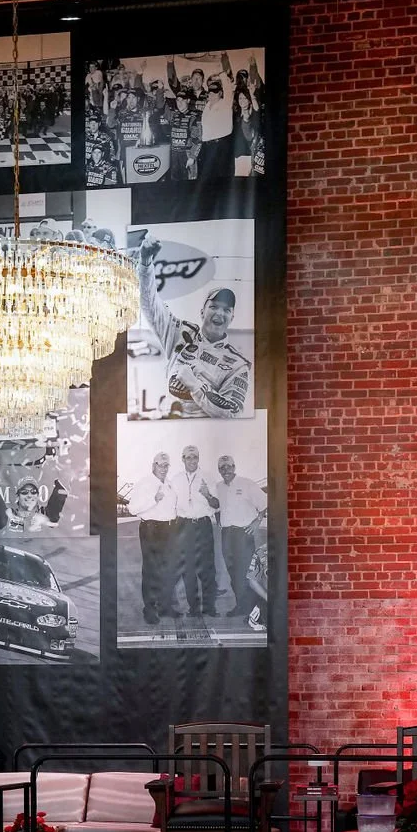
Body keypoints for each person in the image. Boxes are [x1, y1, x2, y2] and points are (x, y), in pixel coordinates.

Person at [137, 234, 251, 420]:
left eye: (226, 310)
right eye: (213, 307)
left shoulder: (238, 365)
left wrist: (195, 385)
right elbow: (150, 305)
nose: (219, 314)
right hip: (165, 426)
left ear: (232, 317)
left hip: (203, 435)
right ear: (202, 312)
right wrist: (145, 262)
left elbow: (232, 412)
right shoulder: (180, 333)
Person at [169, 444, 219, 617]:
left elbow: (217, 505)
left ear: (199, 459)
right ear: (182, 459)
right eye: (188, 457)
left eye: (195, 457)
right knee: (187, 570)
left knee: (207, 569)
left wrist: (207, 494)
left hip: (203, 525)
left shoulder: (208, 477)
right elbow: (170, 505)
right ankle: (194, 609)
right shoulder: (175, 480)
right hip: (183, 526)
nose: (192, 460)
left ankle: (210, 607)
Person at [213, 455, 266, 616]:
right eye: (222, 468)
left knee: (245, 572)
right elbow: (217, 509)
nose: (226, 470)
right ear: (219, 470)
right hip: (227, 534)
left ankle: (254, 610)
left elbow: (264, 503)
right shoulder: (218, 487)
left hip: (243, 533)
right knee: (232, 571)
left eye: (228, 466)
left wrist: (257, 522)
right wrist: (221, 523)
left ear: (234, 467)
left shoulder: (247, 484)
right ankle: (241, 606)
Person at [128, 451, 177, 624]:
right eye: (160, 464)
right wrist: (153, 499)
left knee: (167, 569)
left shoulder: (169, 484)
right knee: (151, 571)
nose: (164, 468)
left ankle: (164, 607)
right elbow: (133, 509)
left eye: (166, 465)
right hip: (151, 529)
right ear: (153, 465)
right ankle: (149, 609)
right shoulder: (145, 483)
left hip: (168, 529)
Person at [199, 53, 234, 180]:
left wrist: (222, 74)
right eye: (210, 92)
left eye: (215, 92)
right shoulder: (207, 105)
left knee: (222, 178)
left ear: (220, 93)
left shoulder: (225, 103)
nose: (212, 95)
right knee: (208, 179)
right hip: (208, 147)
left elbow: (228, 90)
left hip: (221, 147)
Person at [169, 87, 202, 181]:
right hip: (174, 153)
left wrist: (192, 157)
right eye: (178, 100)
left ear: (188, 100)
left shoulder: (194, 117)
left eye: (182, 100)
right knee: (174, 182)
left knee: (189, 182)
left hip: (187, 154)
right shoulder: (174, 115)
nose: (179, 103)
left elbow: (198, 140)